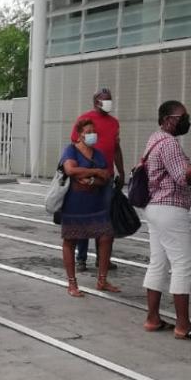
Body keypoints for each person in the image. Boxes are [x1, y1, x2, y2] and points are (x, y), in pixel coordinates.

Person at [141, 101, 191, 341]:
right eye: (182, 116)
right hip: (170, 209)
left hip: (155, 208)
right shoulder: (169, 143)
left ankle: (152, 318)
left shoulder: (155, 139)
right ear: (167, 119)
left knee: (158, 262)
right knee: (182, 265)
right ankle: (183, 325)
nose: (187, 120)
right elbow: (183, 178)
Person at [59, 118, 120, 296]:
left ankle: (102, 280)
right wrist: (95, 172)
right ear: (79, 134)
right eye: (88, 131)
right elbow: (70, 170)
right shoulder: (71, 150)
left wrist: (92, 179)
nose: (92, 135)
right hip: (74, 204)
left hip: (96, 204)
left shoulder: (98, 154)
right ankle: (72, 284)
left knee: (106, 237)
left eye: (94, 132)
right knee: (70, 241)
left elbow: (106, 176)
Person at [70, 89, 124, 272]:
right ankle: (81, 258)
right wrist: (79, 174)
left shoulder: (114, 123)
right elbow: (74, 145)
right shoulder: (84, 119)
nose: (108, 103)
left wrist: (121, 171)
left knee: (105, 219)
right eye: (104, 100)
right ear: (96, 102)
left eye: (110, 100)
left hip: (106, 177)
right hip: (86, 176)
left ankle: (103, 259)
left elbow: (116, 148)